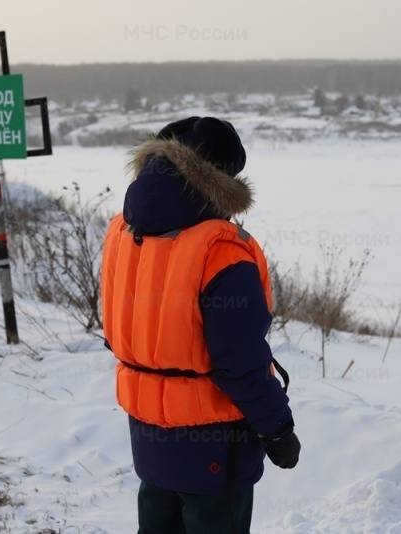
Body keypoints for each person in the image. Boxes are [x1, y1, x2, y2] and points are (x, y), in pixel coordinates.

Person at [101, 116, 301, 534]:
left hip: (149, 434)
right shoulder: (221, 251)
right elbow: (240, 362)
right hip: (214, 441)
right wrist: (278, 428)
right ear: (222, 179)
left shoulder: (123, 233)